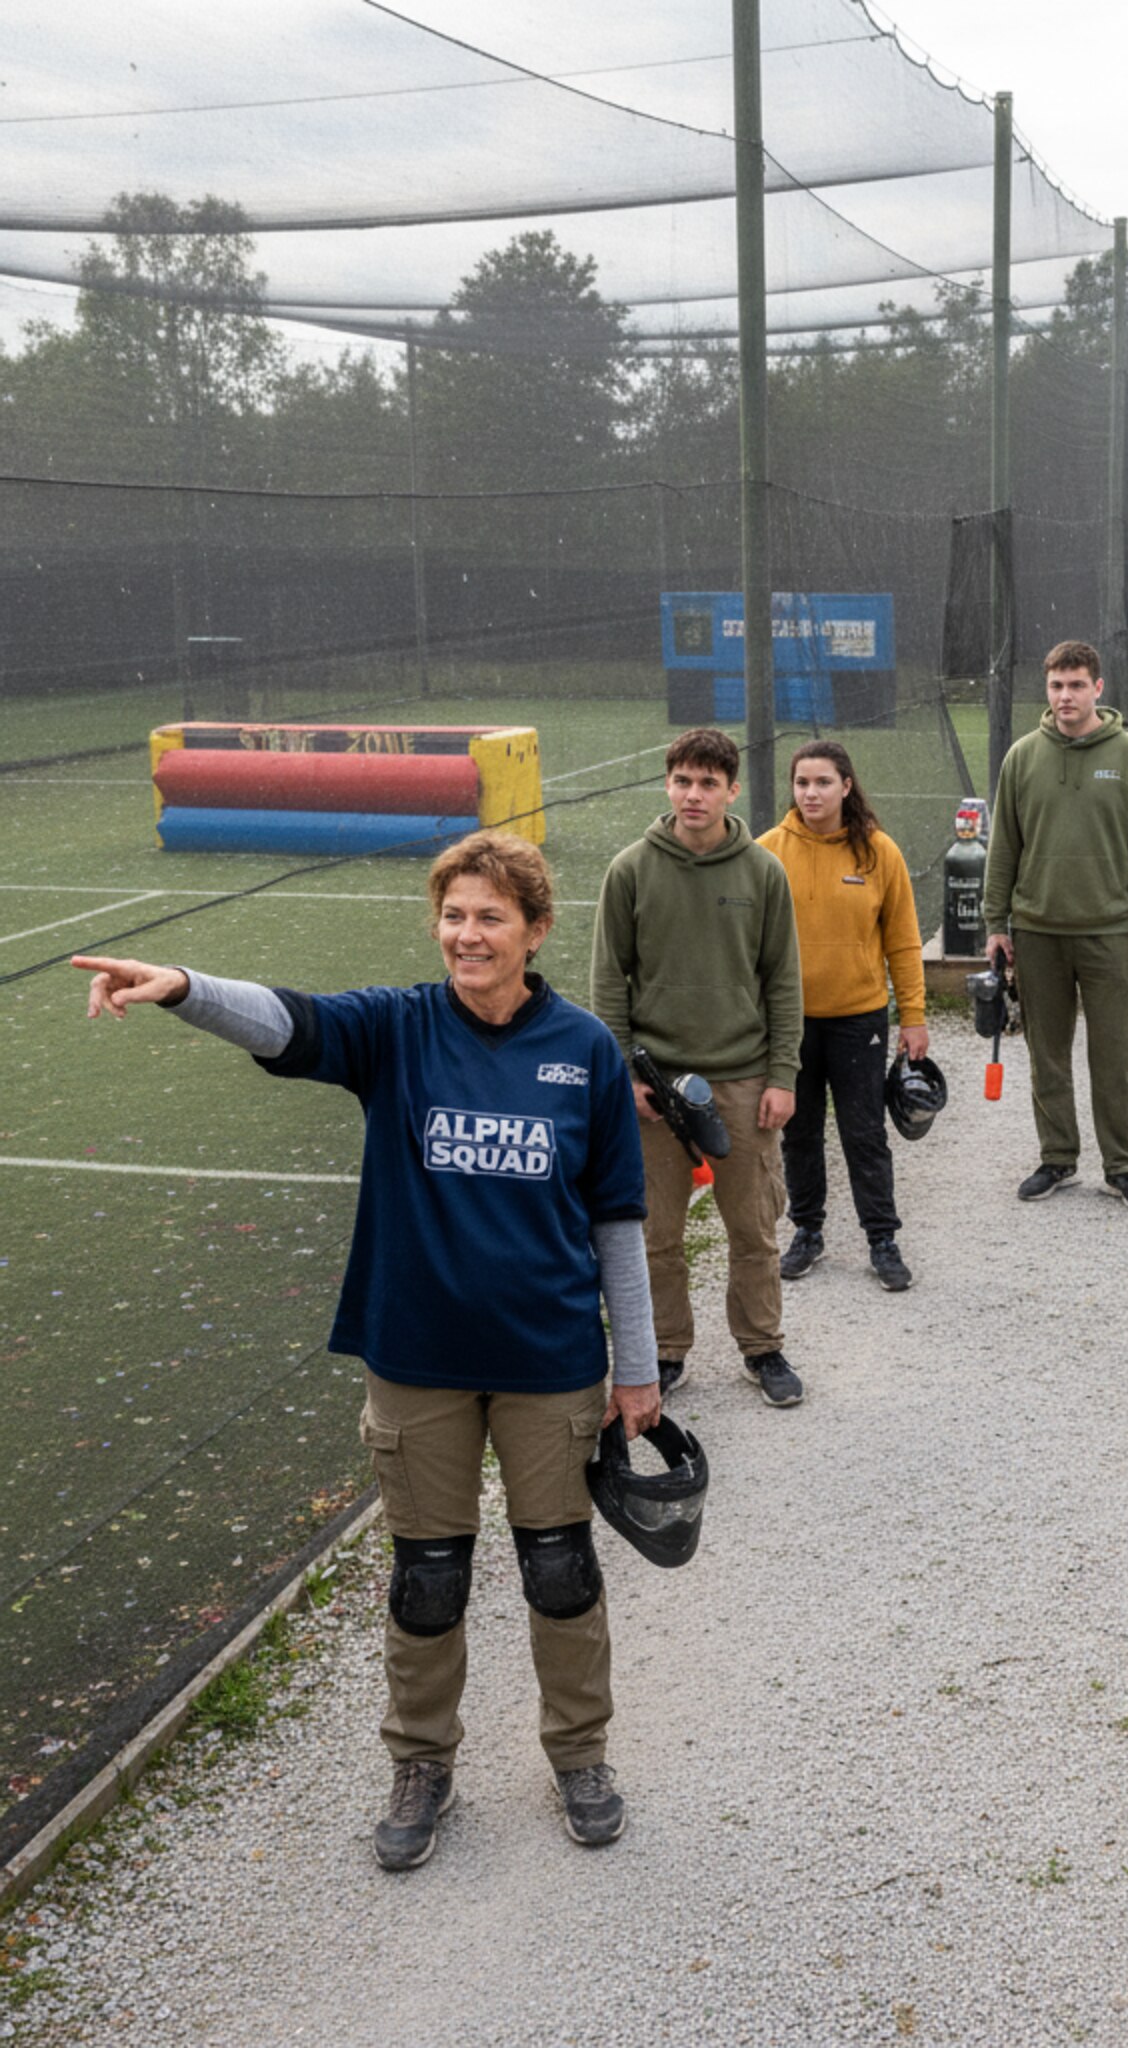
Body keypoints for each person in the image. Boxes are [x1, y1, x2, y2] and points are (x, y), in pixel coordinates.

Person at [73, 831, 659, 1869]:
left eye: (490, 917)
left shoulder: (583, 1049)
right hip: (416, 1355)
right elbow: (290, 1020)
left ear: (534, 930)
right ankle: (421, 1762)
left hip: (549, 1360)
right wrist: (183, 989)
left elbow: (616, 1214)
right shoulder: (397, 1028)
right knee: (427, 1576)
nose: (467, 934)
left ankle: (580, 1755)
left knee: (560, 1568)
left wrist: (639, 1366)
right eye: (453, 914)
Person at [592, 728, 806, 1408]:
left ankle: (762, 1347)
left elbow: (783, 982)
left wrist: (782, 1076)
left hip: (741, 1079)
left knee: (754, 1229)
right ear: (668, 785)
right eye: (683, 781)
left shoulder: (763, 872)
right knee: (656, 1235)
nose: (694, 795)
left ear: (731, 790)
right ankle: (665, 1350)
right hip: (654, 1088)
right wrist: (626, 1077)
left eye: (708, 783)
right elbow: (608, 982)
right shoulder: (630, 870)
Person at [982, 638, 1128, 1211]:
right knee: (1047, 1055)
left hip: (1109, 930)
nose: (1066, 696)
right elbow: (1003, 847)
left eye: (1076, 685)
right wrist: (995, 922)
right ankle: (1057, 1157)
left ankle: (1123, 1167)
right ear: (1047, 689)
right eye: (1056, 686)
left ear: (1098, 688)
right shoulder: (1022, 758)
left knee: (1115, 1057)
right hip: (1037, 931)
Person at [760, 740, 928, 1291]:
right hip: (790, 1024)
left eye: (823, 782)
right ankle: (807, 1231)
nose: (811, 793)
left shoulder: (879, 853)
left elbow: (903, 942)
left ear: (847, 786)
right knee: (800, 1133)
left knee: (864, 1133)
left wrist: (914, 1016)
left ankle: (882, 1239)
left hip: (859, 1020)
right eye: (802, 783)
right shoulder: (766, 853)